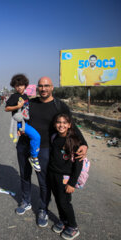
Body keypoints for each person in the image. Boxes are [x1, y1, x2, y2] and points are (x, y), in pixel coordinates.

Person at [15, 77, 88, 228]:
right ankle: (26, 201)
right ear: (37, 88)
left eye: (46, 86)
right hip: (24, 146)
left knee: (44, 181)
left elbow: (72, 126)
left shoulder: (59, 105)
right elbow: (20, 119)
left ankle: (43, 209)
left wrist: (84, 143)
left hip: (44, 149)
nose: (43, 89)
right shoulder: (30, 103)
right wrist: (19, 129)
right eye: (41, 86)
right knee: (24, 176)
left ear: (52, 87)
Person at [48, 113, 83, 239]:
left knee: (65, 202)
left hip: (66, 178)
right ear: (54, 124)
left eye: (64, 123)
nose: (61, 125)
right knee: (58, 200)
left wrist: (72, 183)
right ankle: (64, 221)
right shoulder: (54, 137)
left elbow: (78, 165)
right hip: (53, 175)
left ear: (69, 125)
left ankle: (73, 227)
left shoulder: (74, 141)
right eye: (58, 122)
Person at [5, 74, 41, 172]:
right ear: (14, 86)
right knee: (36, 137)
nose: (19, 87)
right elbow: (7, 108)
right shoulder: (14, 96)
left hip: (26, 122)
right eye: (17, 85)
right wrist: (17, 107)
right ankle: (34, 158)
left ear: (25, 85)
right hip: (20, 123)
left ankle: (32, 153)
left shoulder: (25, 96)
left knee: (32, 138)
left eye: (21, 85)